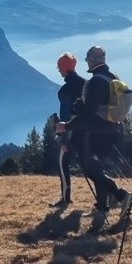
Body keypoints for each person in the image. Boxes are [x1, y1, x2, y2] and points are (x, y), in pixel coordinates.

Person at [57, 45, 132, 218]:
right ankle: (101, 206)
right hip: (113, 129)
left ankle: (122, 195)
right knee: (97, 168)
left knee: (91, 170)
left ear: (90, 60)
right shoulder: (111, 76)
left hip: (98, 132)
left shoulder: (96, 81)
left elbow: (89, 114)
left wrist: (67, 126)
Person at [50, 52, 86, 210]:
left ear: (64, 69)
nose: (58, 71)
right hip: (88, 131)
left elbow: (65, 116)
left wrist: (64, 140)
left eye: (59, 68)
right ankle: (108, 194)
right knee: (91, 165)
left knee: (63, 163)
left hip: (71, 132)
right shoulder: (86, 84)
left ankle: (65, 198)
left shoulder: (65, 90)